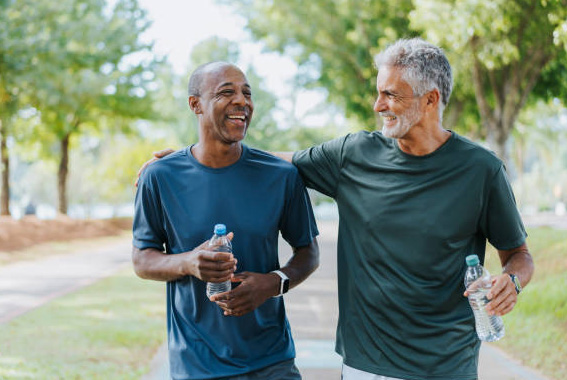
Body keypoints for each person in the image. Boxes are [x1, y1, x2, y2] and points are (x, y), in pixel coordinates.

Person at [141, 39, 534, 380]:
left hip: (446, 363)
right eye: (379, 92)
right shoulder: (354, 154)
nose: (378, 105)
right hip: (365, 361)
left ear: (430, 99)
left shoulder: (482, 170)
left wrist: (511, 281)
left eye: (391, 95)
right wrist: (184, 158)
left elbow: (518, 255)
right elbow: (276, 161)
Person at [132, 61, 319, 380]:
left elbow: (308, 252)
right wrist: (189, 262)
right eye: (226, 92)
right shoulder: (159, 177)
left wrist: (273, 283)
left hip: (273, 361)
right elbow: (142, 260)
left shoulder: (281, 176)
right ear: (196, 105)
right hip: (198, 364)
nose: (242, 101)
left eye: (247, 93)